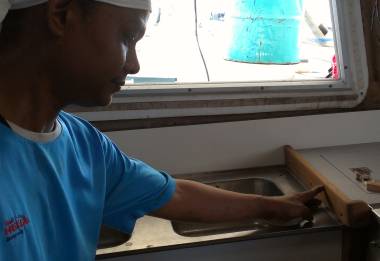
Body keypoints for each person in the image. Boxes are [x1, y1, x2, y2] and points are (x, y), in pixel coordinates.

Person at [0, 0, 324, 260]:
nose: (134, 65)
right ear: (61, 14)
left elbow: (175, 194)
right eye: (127, 38)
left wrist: (270, 206)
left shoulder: (85, 146)